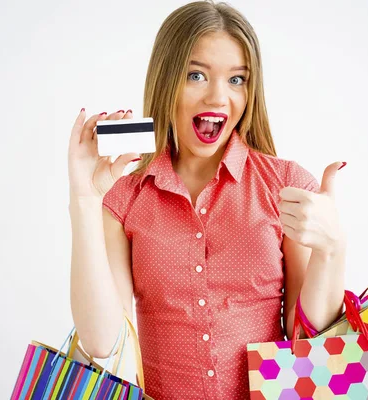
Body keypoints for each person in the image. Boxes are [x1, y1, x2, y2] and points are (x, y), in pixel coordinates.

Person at [67, 1, 347, 398]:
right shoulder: (124, 197)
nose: (218, 97)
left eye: (237, 80)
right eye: (196, 75)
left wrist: (332, 250)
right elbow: (101, 344)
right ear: (166, 81)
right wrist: (83, 197)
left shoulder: (284, 184)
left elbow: (310, 341)